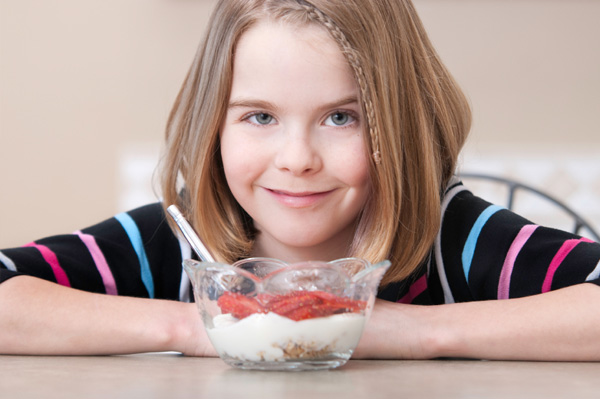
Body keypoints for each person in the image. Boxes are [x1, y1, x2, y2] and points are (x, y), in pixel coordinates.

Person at [1, 0, 599, 360]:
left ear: (399, 126)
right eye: (259, 117)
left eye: (341, 117)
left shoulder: (456, 240)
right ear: (215, 127)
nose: (297, 158)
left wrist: (415, 330)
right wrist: (199, 326)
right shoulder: (174, 242)